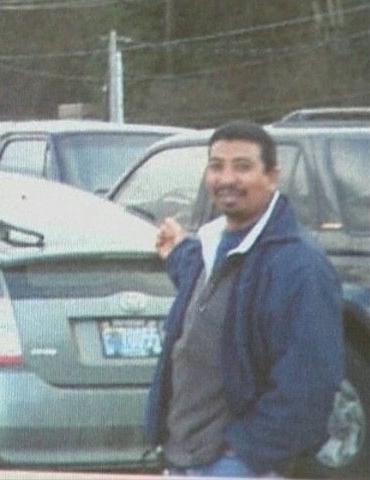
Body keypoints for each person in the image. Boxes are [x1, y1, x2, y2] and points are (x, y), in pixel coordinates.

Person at [144, 120, 344, 477]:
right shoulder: (212, 246)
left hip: (237, 465)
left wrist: (249, 450)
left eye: (243, 166)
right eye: (217, 166)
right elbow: (220, 288)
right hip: (184, 458)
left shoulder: (298, 266)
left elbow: (310, 380)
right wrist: (177, 251)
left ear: (272, 176)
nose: (227, 179)